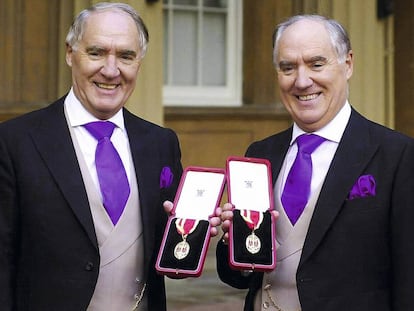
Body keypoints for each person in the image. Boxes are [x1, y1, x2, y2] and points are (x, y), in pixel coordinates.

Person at [216, 14, 414, 310]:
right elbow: (239, 277)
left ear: (347, 64)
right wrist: (233, 244)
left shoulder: (397, 155)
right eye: (288, 67)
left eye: (316, 64)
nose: (302, 80)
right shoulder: (261, 153)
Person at [0, 2, 184, 310]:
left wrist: (198, 233)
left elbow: (170, 250)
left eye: (126, 56)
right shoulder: (14, 142)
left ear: (139, 61)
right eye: (96, 52)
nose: (111, 70)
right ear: (70, 53)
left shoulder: (161, 143)